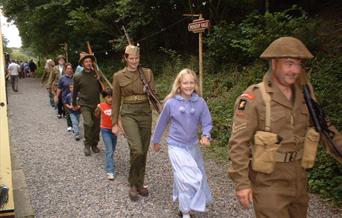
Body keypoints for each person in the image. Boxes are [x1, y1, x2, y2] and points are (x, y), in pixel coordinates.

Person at [228, 36, 342, 218]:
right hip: (269, 181)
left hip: (299, 177)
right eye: (289, 63)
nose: (295, 70)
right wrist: (242, 183)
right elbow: (238, 144)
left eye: (298, 64)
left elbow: (325, 129)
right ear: (274, 63)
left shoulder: (305, 95)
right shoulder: (254, 97)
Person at [152, 68, 212, 218]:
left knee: (186, 177)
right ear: (179, 84)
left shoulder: (200, 102)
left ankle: (183, 207)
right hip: (176, 146)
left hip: (193, 147)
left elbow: (207, 122)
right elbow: (162, 122)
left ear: (195, 84)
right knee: (188, 179)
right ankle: (186, 212)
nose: (189, 86)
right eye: (185, 82)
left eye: (192, 82)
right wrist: (156, 140)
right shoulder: (171, 103)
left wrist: (206, 135)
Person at [112, 45, 155, 201]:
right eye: (131, 58)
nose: (134, 61)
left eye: (136, 58)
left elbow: (153, 96)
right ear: (125, 58)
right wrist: (115, 122)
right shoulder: (118, 76)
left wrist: (165, 110)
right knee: (136, 149)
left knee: (143, 151)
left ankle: (139, 183)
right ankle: (132, 183)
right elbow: (115, 100)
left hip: (145, 113)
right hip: (128, 113)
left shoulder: (147, 73)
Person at [73, 52, 103, 156]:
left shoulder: (96, 74)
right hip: (84, 104)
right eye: (86, 61)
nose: (88, 63)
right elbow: (75, 91)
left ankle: (94, 144)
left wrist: (100, 80)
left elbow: (101, 91)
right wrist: (73, 103)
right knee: (88, 123)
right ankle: (87, 145)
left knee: (96, 126)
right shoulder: (77, 76)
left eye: (90, 61)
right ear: (82, 63)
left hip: (96, 104)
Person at [95, 88, 118, 180]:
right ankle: (110, 171)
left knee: (112, 149)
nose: (111, 99)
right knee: (109, 150)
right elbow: (96, 114)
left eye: (112, 97)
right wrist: (97, 109)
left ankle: (110, 162)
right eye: (108, 97)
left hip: (114, 131)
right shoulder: (101, 105)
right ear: (104, 98)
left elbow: (119, 117)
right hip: (105, 130)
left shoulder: (116, 106)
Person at [56, 63, 74, 131]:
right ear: (65, 70)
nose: (69, 70)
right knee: (68, 112)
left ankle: (74, 124)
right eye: (68, 69)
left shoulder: (75, 77)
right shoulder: (62, 78)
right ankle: (70, 125)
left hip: (74, 98)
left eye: (70, 68)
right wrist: (57, 97)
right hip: (65, 98)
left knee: (75, 112)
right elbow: (59, 88)